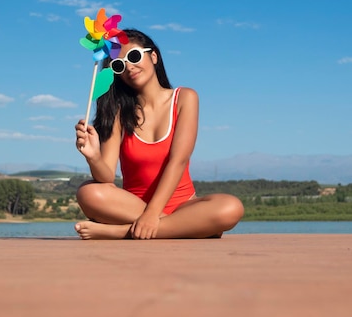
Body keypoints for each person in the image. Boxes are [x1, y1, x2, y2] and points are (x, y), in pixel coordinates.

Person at [74, 29, 244, 240]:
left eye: (134, 56)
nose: (129, 67)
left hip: (183, 206)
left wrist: (153, 215)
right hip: (131, 208)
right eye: (119, 66)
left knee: (231, 207)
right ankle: (187, 228)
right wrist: (93, 157)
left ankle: (124, 232)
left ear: (153, 56)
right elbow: (106, 176)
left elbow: (178, 161)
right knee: (87, 192)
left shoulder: (185, 98)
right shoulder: (118, 111)